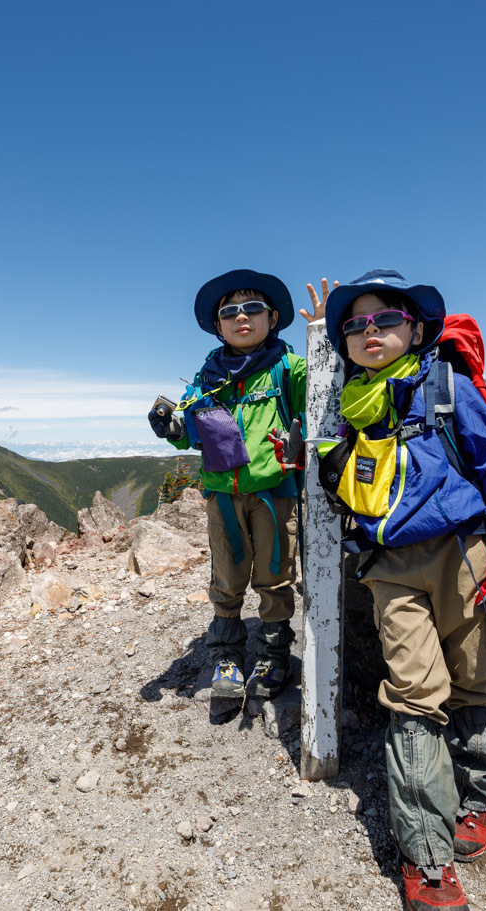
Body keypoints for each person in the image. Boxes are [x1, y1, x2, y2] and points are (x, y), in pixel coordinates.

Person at [314, 269, 486, 911]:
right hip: (388, 563)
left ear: (414, 327)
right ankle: (427, 856)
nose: (370, 331)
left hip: (461, 553)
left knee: (476, 678)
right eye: (354, 324)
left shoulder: (450, 391)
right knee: (414, 695)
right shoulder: (352, 404)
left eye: (384, 319)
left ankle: (480, 799)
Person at [147, 269, 306, 700]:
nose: (242, 317)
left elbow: (323, 399)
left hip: (275, 493)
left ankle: (273, 655)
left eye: (252, 308)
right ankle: (227, 657)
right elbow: (191, 430)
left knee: (275, 576)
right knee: (227, 577)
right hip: (221, 492)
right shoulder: (207, 377)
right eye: (230, 312)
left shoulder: (288, 368)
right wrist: (170, 427)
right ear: (218, 326)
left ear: (272, 318)